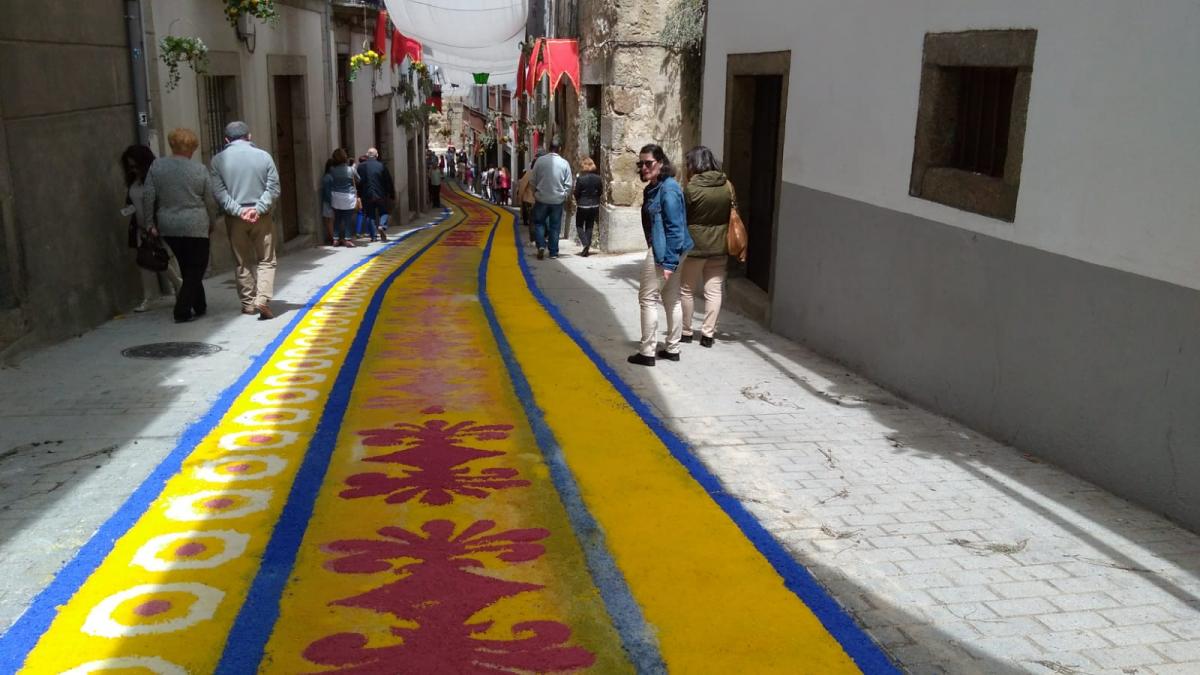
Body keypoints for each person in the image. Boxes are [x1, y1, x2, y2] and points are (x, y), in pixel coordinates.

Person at [143, 128, 219, 324]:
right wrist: (212, 222)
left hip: (168, 225)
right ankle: (182, 309)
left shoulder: (157, 166)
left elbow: (148, 196)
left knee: (187, 265)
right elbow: (210, 201)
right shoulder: (199, 169)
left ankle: (200, 305)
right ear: (191, 148)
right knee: (198, 266)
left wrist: (150, 223)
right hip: (196, 224)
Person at [627, 143, 693, 366]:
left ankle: (647, 352)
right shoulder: (654, 188)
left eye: (649, 163)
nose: (644, 168)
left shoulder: (669, 189)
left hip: (664, 251)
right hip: (667, 249)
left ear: (661, 163)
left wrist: (669, 263)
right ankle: (672, 348)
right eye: (641, 164)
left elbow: (675, 228)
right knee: (671, 298)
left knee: (647, 298)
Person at [209, 120, 282, 320]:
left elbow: (219, 193)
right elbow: (273, 188)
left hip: (235, 219)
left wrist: (239, 211)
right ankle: (262, 298)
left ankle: (248, 303)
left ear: (226, 140)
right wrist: (258, 209)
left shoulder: (217, 160)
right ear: (249, 136)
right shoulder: (264, 156)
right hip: (262, 217)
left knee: (242, 261)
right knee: (266, 259)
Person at [679, 146, 734, 348]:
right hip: (719, 245)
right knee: (714, 291)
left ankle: (686, 332)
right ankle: (708, 334)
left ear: (694, 164)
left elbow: (682, 216)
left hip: (694, 247)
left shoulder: (692, 188)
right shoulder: (727, 185)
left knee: (687, 289)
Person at [120, 145, 182, 312]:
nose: (133, 169)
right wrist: (129, 210)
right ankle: (150, 297)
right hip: (140, 228)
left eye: (135, 165)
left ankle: (178, 285)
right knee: (144, 260)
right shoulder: (134, 181)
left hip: (157, 225)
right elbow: (131, 202)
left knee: (164, 258)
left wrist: (155, 223)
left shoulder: (156, 178)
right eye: (130, 166)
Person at [529, 141, 573, 260]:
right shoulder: (564, 163)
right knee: (555, 226)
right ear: (560, 149)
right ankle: (553, 252)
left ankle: (541, 245)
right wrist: (564, 195)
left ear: (549, 148)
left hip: (541, 198)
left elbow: (532, 180)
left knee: (539, 223)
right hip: (557, 200)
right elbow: (568, 183)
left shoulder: (539, 161)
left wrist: (535, 193)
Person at [357, 147, 395, 242]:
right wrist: (391, 193)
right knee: (384, 212)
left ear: (367, 155)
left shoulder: (360, 167)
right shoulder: (381, 166)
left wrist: (359, 194)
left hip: (367, 195)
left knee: (370, 215)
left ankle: (373, 237)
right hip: (380, 194)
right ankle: (382, 225)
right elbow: (388, 181)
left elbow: (358, 182)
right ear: (377, 155)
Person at [325, 148, 358, 248]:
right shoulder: (351, 169)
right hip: (348, 196)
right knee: (348, 219)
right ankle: (347, 239)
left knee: (337, 218)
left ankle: (335, 239)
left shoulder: (332, 170)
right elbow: (358, 179)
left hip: (336, 196)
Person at [573, 157, 603, 257]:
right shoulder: (598, 178)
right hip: (594, 204)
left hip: (583, 204)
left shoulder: (580, 179)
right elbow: (600, 191)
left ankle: (585, 243)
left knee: (579, 225)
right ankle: (587, 248)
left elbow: (576, 193)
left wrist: (578, 199)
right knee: (589, 226)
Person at [319, 157, 338, 246]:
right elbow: (327, 192)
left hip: (329, 201)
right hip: (328, 202)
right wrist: (332, 203)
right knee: (330, 221)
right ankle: (333, 238)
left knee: (330, 221)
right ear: (330, 167)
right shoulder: (328, 178)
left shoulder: (329, 177)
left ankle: (332, 237)